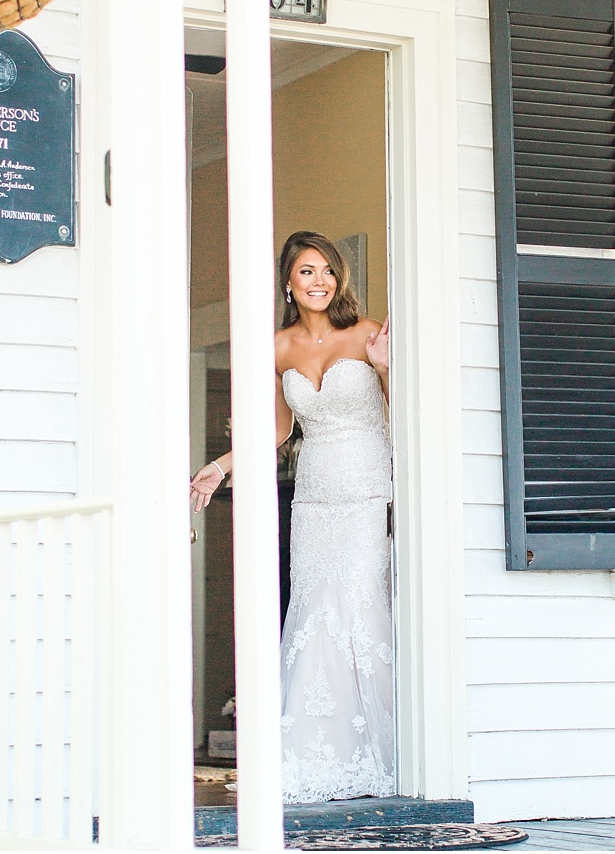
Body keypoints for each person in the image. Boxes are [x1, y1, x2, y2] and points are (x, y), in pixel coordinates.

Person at [190, 231, 395, 804]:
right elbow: (277, 430)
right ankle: (313, 753)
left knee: (359, 607)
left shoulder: (367, 333)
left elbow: (410, 409)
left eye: (329, 270)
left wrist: (386, 368)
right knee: (314, 611)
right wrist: (221, 467)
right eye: (308, 271)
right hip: (314, 497)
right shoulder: (276, 347)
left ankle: (386, 753)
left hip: (367, 488)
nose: (321, 280)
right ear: (289, 281)